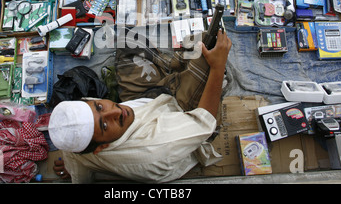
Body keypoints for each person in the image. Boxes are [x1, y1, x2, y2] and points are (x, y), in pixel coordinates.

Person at [48, 30, 232, 183]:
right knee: (206, 54)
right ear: (99, 149)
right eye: (104, 125)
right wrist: (217, 66)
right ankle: (180, 73)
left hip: (149, 100)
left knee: (127, 40)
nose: (115, 111)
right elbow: (204, 123)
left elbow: (79, 171)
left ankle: (171, 67)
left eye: (99, 107)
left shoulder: (74, 141)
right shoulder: (158, 147)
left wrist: (71, 170)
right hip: (181, 116)